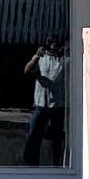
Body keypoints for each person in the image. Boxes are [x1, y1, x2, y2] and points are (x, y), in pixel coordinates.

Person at [21, 36, 68, 166]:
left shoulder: (65, 60)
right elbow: (27, 70)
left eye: (55, 45)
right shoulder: (40, 59)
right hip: (40, 104)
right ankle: (30, 164)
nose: (53, 48)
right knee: (33, 136)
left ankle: (57, 164)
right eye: (50, 45)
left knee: (57, 138)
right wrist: (36, 56)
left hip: (58, 105)